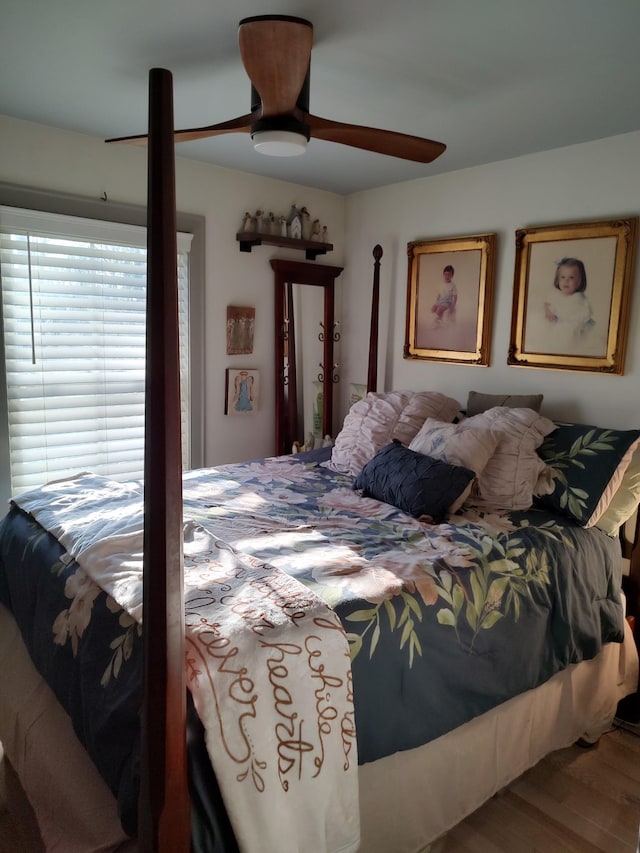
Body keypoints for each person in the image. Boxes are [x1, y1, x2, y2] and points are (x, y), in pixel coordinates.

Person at [543, 257, 595, 340]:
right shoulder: (556, 295)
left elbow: (583, 317)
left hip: (575, 328)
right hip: (559, 327)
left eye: (571, 278)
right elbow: (547, 303)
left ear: (579, 281)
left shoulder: (579, 298)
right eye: (563, 277)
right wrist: (548, 312)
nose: (566, 281)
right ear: (557, 279)